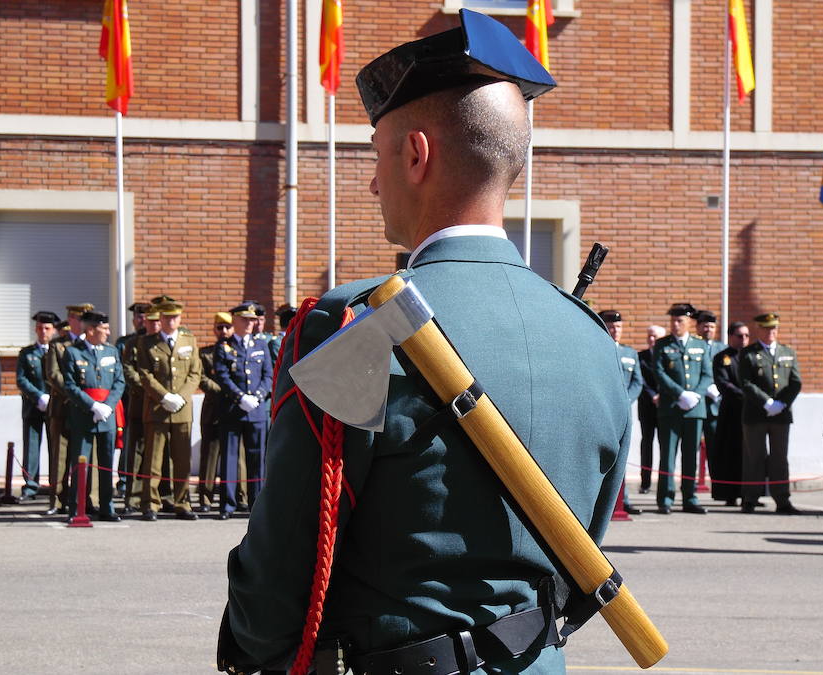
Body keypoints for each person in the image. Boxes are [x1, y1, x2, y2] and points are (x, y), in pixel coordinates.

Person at [217, 12, 628, 674]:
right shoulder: (590, 341)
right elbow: (585, 557)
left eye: (377, 155)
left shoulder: (358, 324)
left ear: (416, 153)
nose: (374, 182)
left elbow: (287, 557)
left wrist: (257, 646)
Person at [136, 300, 202, 521]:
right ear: (160, 319)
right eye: (166, 317)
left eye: (174, 317)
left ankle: (182, 502)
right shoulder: (147, 343)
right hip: (157, 407)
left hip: (182, 410)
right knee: (153, 460)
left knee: (182, 460)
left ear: (180, 319)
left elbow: (195, 373)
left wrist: (180, 397)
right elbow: (144, 374)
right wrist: (164, 396)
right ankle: (151, 503)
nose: (170, 321)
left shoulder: (189, 340)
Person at [61, 311, 124, 522]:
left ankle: (107, 507)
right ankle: (77, 508)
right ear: (90, 330)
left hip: (107, 416)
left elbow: (119, 381)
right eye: (103, 328)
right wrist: (92, 406)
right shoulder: (72, 353)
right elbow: (69, 385)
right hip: (83, 416)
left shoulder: (111, 351)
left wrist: (108, 406)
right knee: (80, 463)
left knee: (106, 464)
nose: (108, 332)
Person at [738, 313, 802, 514]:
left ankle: (782, 500)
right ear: (759, 329)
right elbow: (746, 382)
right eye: (767, 328)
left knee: (779, 458)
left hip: (781, 415)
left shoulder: (788, 352)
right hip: (756, 414)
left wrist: (782, 403)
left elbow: (795, 382)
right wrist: (766, 402)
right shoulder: (748, 353)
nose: (771, 332)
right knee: (754, 457)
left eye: (774, 328)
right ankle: (750, 498)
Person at [213, 302, 272, 520]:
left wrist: (256, 397)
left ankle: (255, 504)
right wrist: (240, 397)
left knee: (257, 458)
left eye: (252, 319)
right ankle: (227, 505)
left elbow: (268, 375)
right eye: (245, 319)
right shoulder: (224, 346)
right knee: (229, 458)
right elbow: (222, 375)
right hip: (232, 409)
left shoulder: (261, 344)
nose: (250, 323)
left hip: (255, 410)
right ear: (235, 321)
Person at [652, 303, 712, 514]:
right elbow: (659, 373)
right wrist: (680, 394)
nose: (675, 325)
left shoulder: (701, 345)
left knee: (690, 457)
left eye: (680, 321)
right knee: (668, 456)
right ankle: (665, 499)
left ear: (688, 323)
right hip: (671, 408)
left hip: (695, 409)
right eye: (673, 321)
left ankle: (690, 497)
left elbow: (707, 375)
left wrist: (695, 395)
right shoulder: (662, 345)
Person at [44, 303, 93, 515]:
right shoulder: (57, 345)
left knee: (87, 457)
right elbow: (54, 375)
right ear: (71, 320)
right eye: (78, 319)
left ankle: (87, 499)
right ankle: (57, 501)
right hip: (63, 407)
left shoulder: (92, 345)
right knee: (60, 457)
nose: (82, 324)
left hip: (86, 409)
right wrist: (76, 394)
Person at [599, 309, 642, 514]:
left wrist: (626, 401)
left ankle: (622, 500)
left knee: (623, 457)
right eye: (611, 326)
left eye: (618, 327)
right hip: (605, 411)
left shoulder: (630, 353)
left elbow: (637, 383)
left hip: (623, 412)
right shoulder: (598, 350)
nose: (615, 330)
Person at [120, 305, 162, 514]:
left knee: (162, 454)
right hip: (139, 403)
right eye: (142, 317)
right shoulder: (131, 343)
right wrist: (148, 389)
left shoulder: (162, 341)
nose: (148, 321)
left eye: (152, 318)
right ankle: (134, 497)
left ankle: (163, 495)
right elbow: (128, 370)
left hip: (161, 404)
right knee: (136, 452)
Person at [16, 311, 59, 500]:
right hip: (33, 406)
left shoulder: (59, 351)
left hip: (55, 407)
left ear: (54, 330)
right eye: (40, 328)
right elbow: (21, 379)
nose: (43, 332)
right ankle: (31, 485)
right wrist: (38, 396)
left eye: (47, 328)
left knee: (55, 447)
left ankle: (55, 485)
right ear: (36, 329)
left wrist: (52, 397)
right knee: (31, 447)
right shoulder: (27, 353)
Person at [710, 321, 750, 505]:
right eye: (740, 336)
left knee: (751, 453)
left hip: (751, 412)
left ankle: (751, 493)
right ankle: (731, 494)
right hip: (731, 413)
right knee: (731, 453)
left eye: (747, 336)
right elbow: (723, 383)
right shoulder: (721, 358)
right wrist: (744, 394)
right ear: (730, 337)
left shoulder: (752, 356)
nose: (744, 340)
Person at [115, 301, 151, 498]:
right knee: (130, 444)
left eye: (145, 316)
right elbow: (121, 370)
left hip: (154, 400)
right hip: (131, 399)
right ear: (133, 320)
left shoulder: (155, 341)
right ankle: (125, 480)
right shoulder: (123, 342)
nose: (142, 320)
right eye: (138, 317)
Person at [197, 312, 232, 512]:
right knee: (209, 457)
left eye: (227, 327)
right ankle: (206, 498)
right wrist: (224, 389)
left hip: (234, 410)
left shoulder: (237, 351)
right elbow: (202, 378)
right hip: (212, 410)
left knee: (236, 457)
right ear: (214, 330)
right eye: (219, 328)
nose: (224, 331)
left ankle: (238, 496)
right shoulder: (205, 353)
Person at [695, 311, 724, 483]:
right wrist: (704, 388)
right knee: (692, 448)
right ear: (698, 327)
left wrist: (718, 387)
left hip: (715, 405)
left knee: (715, 447)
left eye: (712, 326)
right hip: (697, 402)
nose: (708, 329)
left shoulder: (722, 348)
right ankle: (691, 485)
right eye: (705, 326)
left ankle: (717, 482)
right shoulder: (693, 345)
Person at [637, 324, 665, 492]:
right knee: (647, 444)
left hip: (665, 407)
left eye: (655, 336)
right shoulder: (641, 357)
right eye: (649, 336)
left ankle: (663, 484)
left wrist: (663, 395)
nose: (652, 339)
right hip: (647, 406)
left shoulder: (668, 356)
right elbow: (640, 380)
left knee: (665, 446)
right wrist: (653, 395)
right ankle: (645, 483)